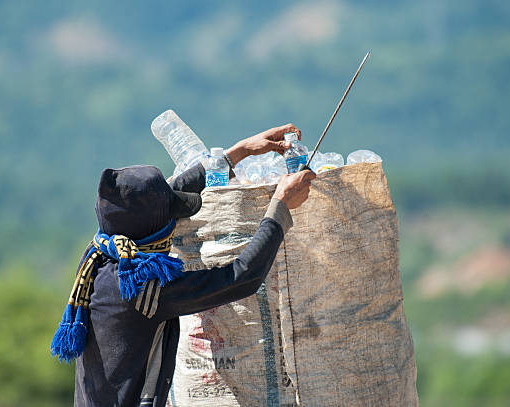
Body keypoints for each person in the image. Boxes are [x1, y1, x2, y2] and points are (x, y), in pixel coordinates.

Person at [50, 124, 316, 406]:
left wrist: (237, 153)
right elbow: (242, 277)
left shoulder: (105, 247)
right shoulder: (143, 287)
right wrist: (280, 206)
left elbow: (159, 199)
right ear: (155, 234)